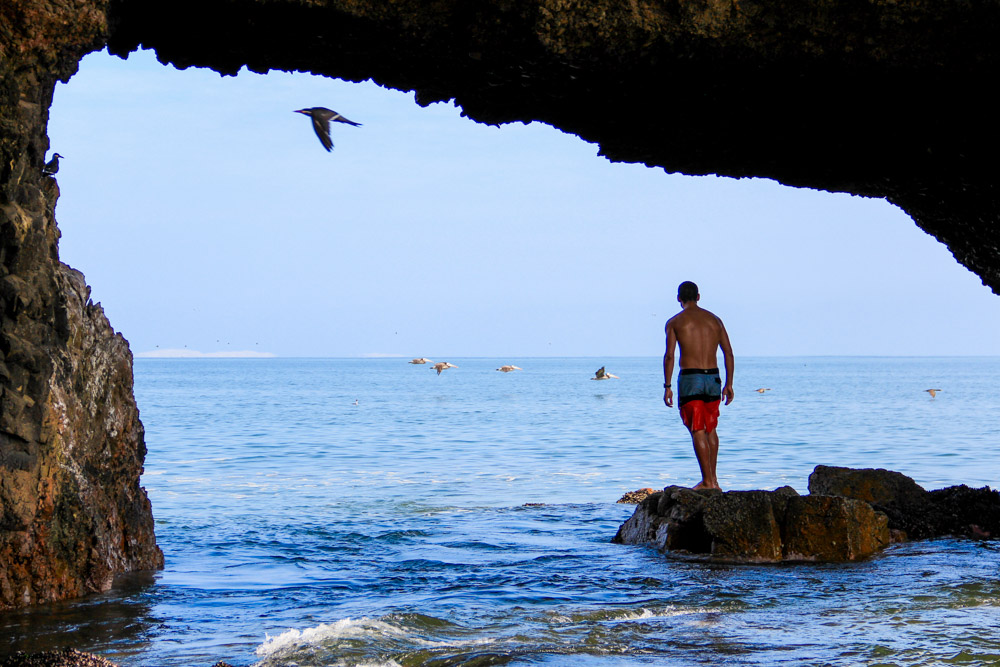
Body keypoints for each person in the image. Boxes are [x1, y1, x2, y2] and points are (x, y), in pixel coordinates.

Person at [663, 281, 734, 490]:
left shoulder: (675, 322)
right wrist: (729, 384)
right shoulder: (715, 321)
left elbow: (670, 356)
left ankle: (707, 482)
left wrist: (667, 385)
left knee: (697, 428)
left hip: (691, 378)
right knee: (710, 427)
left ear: (679, 298)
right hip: (713, 377)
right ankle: (714, 481)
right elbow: (728, 353)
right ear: (698, 296)